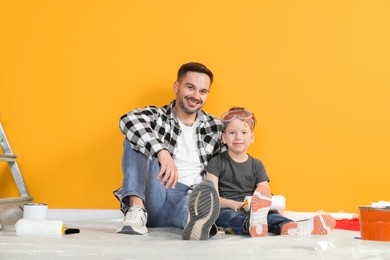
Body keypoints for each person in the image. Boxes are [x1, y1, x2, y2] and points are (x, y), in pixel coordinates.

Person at [114, 62, 223, 240]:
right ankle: (136, 210)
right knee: (134, 137)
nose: (196, 96)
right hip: (156, 192)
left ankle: (195, 222)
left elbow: (233, 164)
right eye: (190, 87)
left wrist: (262, 198)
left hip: (190, 196)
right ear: (177, 86)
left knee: (196, 205)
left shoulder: (216, 127)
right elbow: (127, 120)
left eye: (203, 91)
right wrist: (161, 152)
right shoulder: (157, 116)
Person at [206, 107, 336, 237]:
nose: (238, 137)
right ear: (224, 137)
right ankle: (249, 225)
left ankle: (290, 226)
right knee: (227, 216)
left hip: (254, 208)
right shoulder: (216, 163)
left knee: (272, 215)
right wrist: (233, 204)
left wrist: (274, 205)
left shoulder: (257, 164)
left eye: (244, 132)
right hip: (228, 208)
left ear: (251, 137)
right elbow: (213, 198)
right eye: (232, 132)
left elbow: (264, 192)